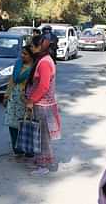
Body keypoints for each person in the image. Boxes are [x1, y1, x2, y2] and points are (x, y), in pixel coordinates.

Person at [25, 35, 62, 175]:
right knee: (39, 134)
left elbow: (43, 86)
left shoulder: (45, 62)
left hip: (43, 105)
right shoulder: (42, 60)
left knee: (43, 136)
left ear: (40, 47)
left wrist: (31, 100)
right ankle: (39, 160)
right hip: (41, 103)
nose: (31, 48)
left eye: (33, 46)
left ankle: (44, 165)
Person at [3, 45, 33, 156]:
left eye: (25, 54)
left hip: (25, 99)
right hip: (14, 97)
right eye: (22, 53)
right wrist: (6, 95)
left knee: (25, 124)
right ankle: (16, 147)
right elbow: (12, 80)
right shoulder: (18, 64)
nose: (22, 56)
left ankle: (28, 148)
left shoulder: (34, 68)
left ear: (31, 56)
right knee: (12, 123)